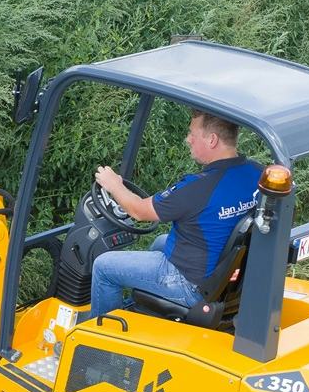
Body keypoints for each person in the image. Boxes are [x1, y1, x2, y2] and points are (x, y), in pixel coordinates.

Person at [87, 111, 261, 320]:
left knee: (104, 266)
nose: (188, 139)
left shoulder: (199, 187)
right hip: (220, 267)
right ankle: (143, 310)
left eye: (192, 134)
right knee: (161, 242)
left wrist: (114, 184)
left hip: (190, 284)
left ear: (212, 140)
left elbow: (139, 211)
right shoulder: (257, 173)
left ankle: (102, 339)